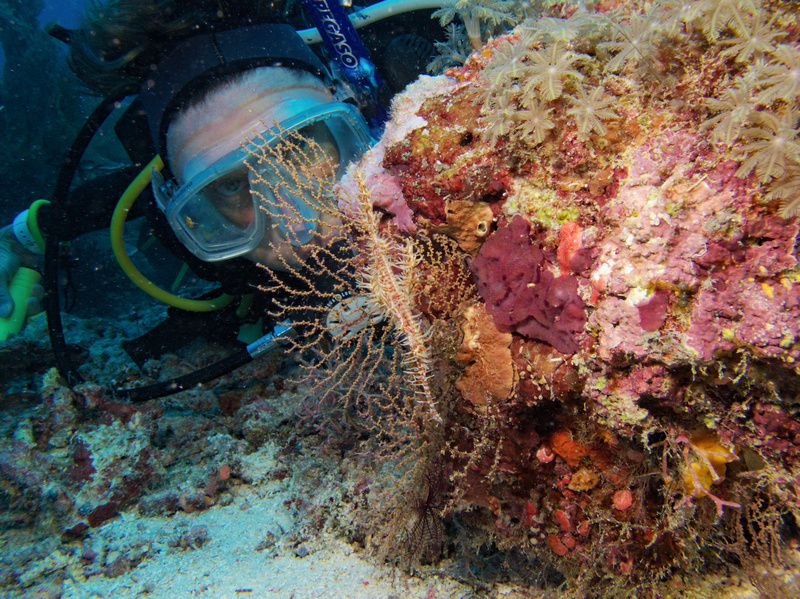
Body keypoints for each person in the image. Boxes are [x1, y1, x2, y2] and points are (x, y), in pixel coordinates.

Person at [0, 0, 444, 392]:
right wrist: (16, 241)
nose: (301, 224)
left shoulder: (426, 99)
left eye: (300, 148)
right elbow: (83, 210)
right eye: (231, 185)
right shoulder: (168, 213)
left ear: (358, 116)